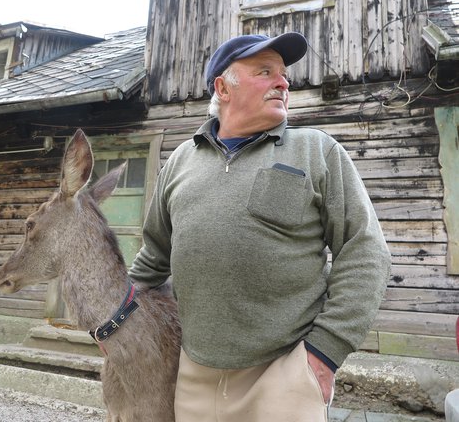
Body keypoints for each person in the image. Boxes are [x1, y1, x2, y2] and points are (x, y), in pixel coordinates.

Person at [128, 32, 391, 422]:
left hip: (284, 374)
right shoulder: (182, 160)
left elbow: (365, 250)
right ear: (223, 87)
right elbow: (154, 255)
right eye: (265, 71)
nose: (284, 82)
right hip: (194, 373)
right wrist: (117, 315)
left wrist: (323, 354)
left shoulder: (317, 150)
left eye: (283, 74)